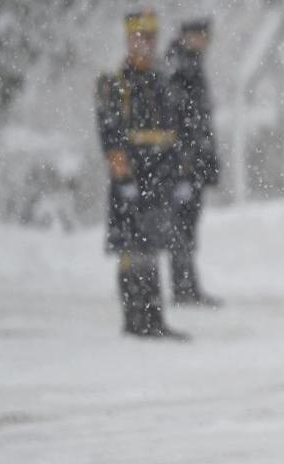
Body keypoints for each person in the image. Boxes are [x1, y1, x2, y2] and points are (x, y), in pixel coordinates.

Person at [95, 9, 187, 339]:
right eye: (139, 37)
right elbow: (111, 135)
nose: (145, 44)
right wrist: (123, 179)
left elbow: (175, 131)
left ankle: (154, 319)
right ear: (128, 39)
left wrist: (179, 175)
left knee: (152, 249)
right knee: (131, 250)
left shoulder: (162, 81)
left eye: (150, 38)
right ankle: (134, 319)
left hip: (158, 177)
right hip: (132, 177)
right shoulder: (116, 83)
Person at [166, 17, 221, 306]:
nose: (204, 41)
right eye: (199, 36)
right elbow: (181, 122)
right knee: (181, 226)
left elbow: (200, 122)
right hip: (182, 164)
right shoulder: (180, 68)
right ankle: (183, 287)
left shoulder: (192, 66)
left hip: (194, 162)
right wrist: (183, 165)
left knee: (188, 226)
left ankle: (188, 285)